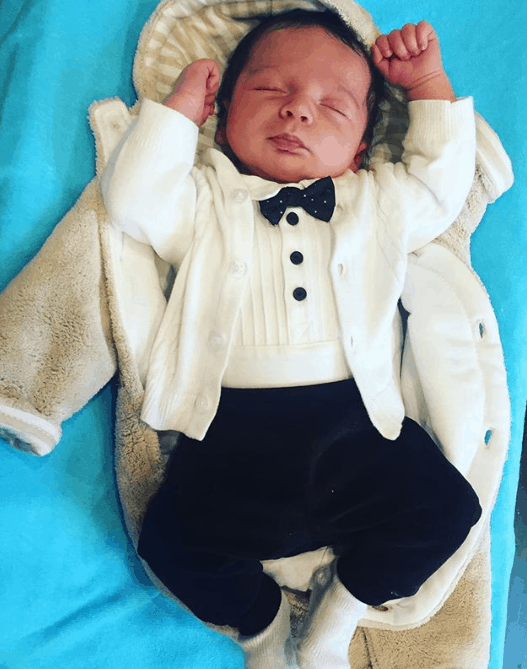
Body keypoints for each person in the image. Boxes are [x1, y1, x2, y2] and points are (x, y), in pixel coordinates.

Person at [101, 8, 481, 669]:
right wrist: (177, 114)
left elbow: (439, 184)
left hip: (357, 427)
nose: (297, 110)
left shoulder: (375, 202)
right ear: (224, 115)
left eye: (332, 105)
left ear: (360, 146)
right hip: (231, 430)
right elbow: (133, 201)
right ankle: (262, 626)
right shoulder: (203, 201)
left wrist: (427, 85)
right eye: (269, 88)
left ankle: (340, 611)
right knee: (169, 544)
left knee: (448, 512)